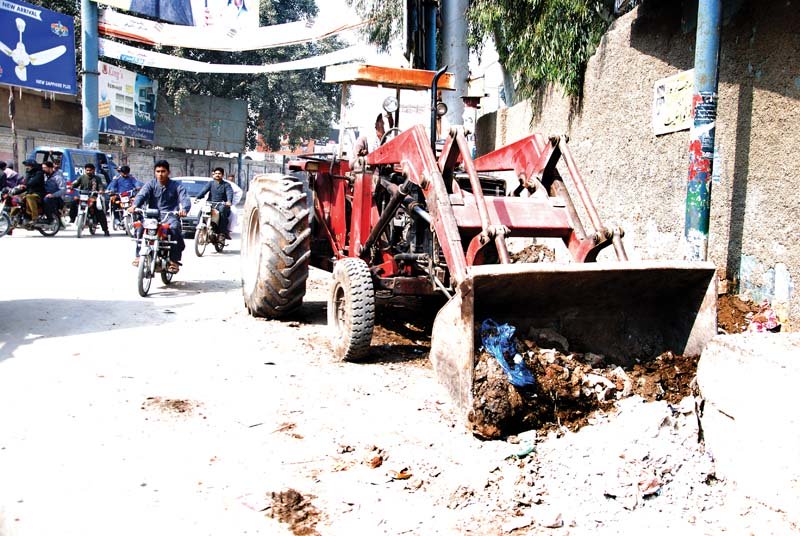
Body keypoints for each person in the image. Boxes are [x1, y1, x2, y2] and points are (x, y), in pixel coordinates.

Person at [129, 160, 191, 273]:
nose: (160, 174)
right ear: (155, 172)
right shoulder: (150, 184)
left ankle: (174, 260)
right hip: (152, 215)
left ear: (168, 172)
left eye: (163, 171)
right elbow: (141, 195)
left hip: (170, 215)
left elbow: (185, 198)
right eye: (158, 171)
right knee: (139, 228)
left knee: (174, 228)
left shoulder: (177, 186)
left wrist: (184, 209)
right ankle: (139, 256)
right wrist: (134, 206)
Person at [70, 162, 109, 235]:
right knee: (74, 202)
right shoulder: (81, 177)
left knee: (99, 211)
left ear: (93, 170)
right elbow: (75, 183)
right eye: (87, 170)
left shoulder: (97, 178)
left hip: (93, 197)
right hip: (82, 196)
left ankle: (105, 230)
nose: (88, 172)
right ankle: (72, 218)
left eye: (90, 170)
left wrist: (100, 190)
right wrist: (71, 186)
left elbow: (100, 186)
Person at [196, 167, 234, 240]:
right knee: (201, 211)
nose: (217, 175)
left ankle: (222, 232)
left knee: (222, 210)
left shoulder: (226, 185)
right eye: (216, 173)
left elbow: (229, 193)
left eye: (219, 174)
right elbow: (203, 191)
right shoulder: (210, 183)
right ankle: (200, 229)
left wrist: (229, 201)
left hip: (222, 204)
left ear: (222, 175)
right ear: (213, 175)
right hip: (211, 204)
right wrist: (198, 197)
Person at [42, 161, 66, 225]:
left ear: (50, 168)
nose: (43, 169)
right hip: (46, 195)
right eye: (43, 168)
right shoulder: (44, 177)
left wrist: (53, 195)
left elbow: (63, 190)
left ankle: (50, 219)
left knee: (46, 200)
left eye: (45, 168)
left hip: (57, 198)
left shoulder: (58, 177)